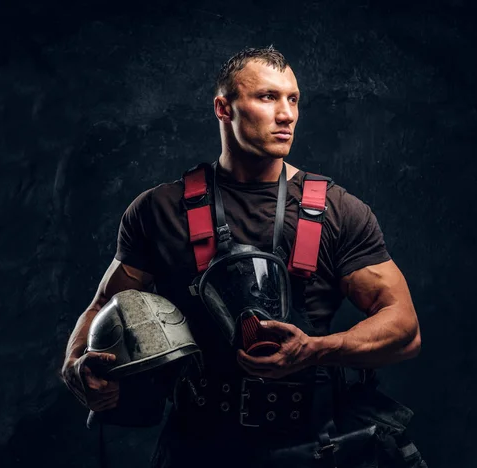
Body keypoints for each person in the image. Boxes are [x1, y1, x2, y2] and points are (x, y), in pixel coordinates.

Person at [61, 45, 427, 467]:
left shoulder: (338, 211)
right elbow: (105, 303)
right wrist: (75, 363)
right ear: (223, 107)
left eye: (293, 99)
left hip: (313, 446)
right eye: (268, 97)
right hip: (197, 447)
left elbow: (405, 327)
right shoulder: (158, 209)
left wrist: (319, 348)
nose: (287, 114)